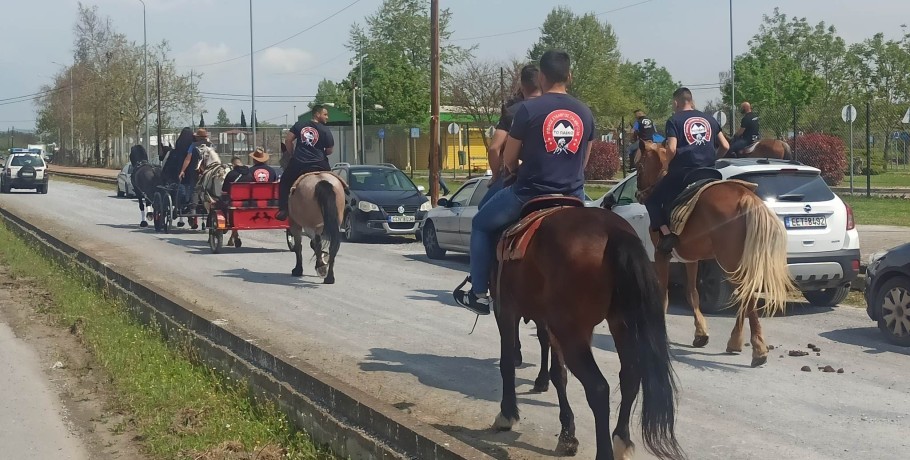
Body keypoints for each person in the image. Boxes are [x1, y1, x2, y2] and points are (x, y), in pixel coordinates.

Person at [453, 49, 595, 315]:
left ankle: (479, 293)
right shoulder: (585, 112)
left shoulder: (528, 109)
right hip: (574, 196)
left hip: (528, 194)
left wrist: (514, 168)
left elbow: (508, 158)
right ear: (570, 76)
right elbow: (584, 160)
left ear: (541, 76)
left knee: (480, 224)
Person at [645, 87, 729, 254]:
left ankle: (667, 236)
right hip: (710, 172)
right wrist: (713, 158)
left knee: (652, 200)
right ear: (691, 101)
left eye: (672, 103)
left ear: (676, 102)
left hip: (684, 174)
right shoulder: (709, 119)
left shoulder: (674, 120)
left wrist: (666, 164)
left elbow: (672, 149)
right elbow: (726, 145)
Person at [478, 64, 542, 209]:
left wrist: (495, 176)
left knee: (481, 216)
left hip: (521, 182)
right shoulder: (554, 110)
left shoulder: (512, 112)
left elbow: (494, 149)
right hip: (561, 181)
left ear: (522, 85)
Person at [277, 104, 334, 221]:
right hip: (320, 163)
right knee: (334, 182)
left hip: (299, 163)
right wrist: (320, 154)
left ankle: (283, 209)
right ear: (317, 114)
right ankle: (340, 202)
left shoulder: (299, 125)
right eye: (325, 114)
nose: (327, 117)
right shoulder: (325, 130)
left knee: (284, 181)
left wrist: (292, 154)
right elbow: (329, 150)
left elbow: (288, 140)